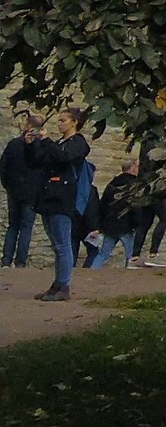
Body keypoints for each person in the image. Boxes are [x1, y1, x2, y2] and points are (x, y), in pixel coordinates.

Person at [30, 109, 91, 298]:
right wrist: (34, 144)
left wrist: (47, 142)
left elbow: (63, 157)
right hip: (49, 196)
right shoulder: (58, 143)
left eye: (63, 120)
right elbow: (39, 161)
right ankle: (57, 284)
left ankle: (64, 286)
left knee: (63, 244)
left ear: (74, 122)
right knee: (57, 244)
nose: (59, 124)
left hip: (64, 197)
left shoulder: (79, 143)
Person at [2, 111, 43, 269]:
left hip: (14, 190)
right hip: (31, 192)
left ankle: (6, 260)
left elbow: (3, 168)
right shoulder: (39, 146)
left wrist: (8, 186)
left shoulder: (14, 144)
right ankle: (20, 261)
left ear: (28, 126)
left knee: (13, 226)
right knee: (26, 226)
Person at [89, 154, 147, 267]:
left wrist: (101, 225)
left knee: (103, 254)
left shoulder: (112, 184)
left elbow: (102, 205)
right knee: (131, 256)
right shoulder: (134, 185)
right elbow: (135, 206)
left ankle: (92, 272)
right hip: (126, 226)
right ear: (133, 168)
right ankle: (130, 278)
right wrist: (138, 223)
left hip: (110, 225)